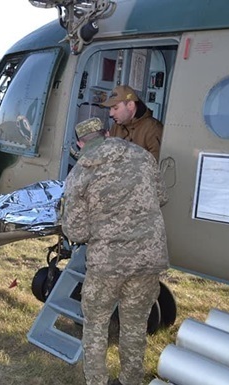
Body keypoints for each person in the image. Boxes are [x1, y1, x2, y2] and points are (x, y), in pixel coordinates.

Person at [62, 117, 169, 385]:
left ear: (79, 144)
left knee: (96, 325)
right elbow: (162, 197)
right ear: (107, 133)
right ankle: (129, 381)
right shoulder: (143, 157)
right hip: (147, 260)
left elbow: (75, 232)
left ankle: (96, 381)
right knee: (134, 327)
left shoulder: (80, 173)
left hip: (106, 266)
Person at [101, 85, 163, 161]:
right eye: (110, 109)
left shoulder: (153, 129)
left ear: (130, 105)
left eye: (115, 108)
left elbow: (156, 166)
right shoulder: (116, 126)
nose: (111, 113)